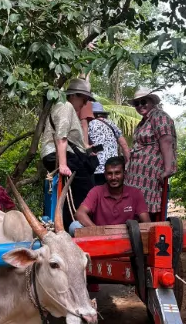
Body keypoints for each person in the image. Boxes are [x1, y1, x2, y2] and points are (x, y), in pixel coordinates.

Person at [40, 77, 97, 226]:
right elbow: (61, 135)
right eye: (83, 100)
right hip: (60, 156)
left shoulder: (65, 107)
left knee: (80, 190)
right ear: (74, 95)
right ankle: (76, 226)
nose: (84, 104)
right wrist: (64, 165)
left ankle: (70, 224)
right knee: (86, 193)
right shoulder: (66, 106)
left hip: (65, 154)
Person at [124, 86, 178, 220]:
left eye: (143, 102)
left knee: (146, 209)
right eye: (137, 103)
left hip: (150, 175)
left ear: (152, 101)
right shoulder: (145, 121)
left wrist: (167, 169)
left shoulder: (159, 116)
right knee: (135, 208)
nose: (140, 106)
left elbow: (166, 141)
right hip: (138, 177)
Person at [76, 157, 151, 228]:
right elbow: (79, 213)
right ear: (105, 175)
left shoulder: (135, 193)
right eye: (109, 173)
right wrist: (98, 233)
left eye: (117, 173)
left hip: (128, 237)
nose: (113, 177)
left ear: (124, 174)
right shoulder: (96, 191)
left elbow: (146, 223)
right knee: (75, 225)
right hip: (101, 237)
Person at [87, 102, 124, 192]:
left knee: (98, 196)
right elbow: (124, 145)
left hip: (97, 169)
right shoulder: (112, 124)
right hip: (113, 169)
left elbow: (87, 147)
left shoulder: (89, 125)